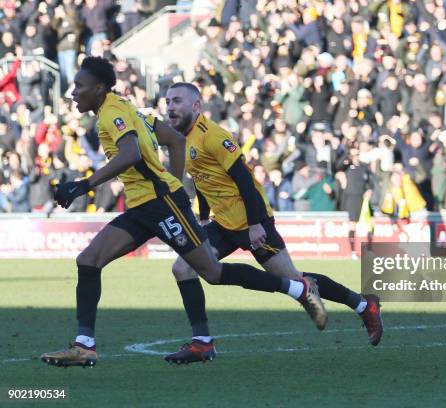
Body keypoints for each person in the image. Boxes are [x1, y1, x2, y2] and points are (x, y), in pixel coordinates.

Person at [40, 57, 327, 368]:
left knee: (212, 273)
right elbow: (175, 140)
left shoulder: (113, 113)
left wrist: (86, 184)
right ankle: (85, 346)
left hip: (161, 205)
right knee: (88, 260)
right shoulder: (122, 110)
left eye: (79, 86)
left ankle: (299, 288)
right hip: (143, 206)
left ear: (98, 88)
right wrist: (174, 182)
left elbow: (131, 153)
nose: (73, 92)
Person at [163, 82, 383, 364]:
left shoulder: (214, 136)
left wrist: (256, 225)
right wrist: (205, 217)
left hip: (251, 218)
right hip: (223, 223)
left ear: (196, 106)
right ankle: (202, 343)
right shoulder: (184, 138)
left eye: (177, 101)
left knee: (295, 280)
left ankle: (365, 306)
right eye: (168, 101)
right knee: (183, 268)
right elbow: (203, 180)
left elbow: (245, 179)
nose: (170, 107)